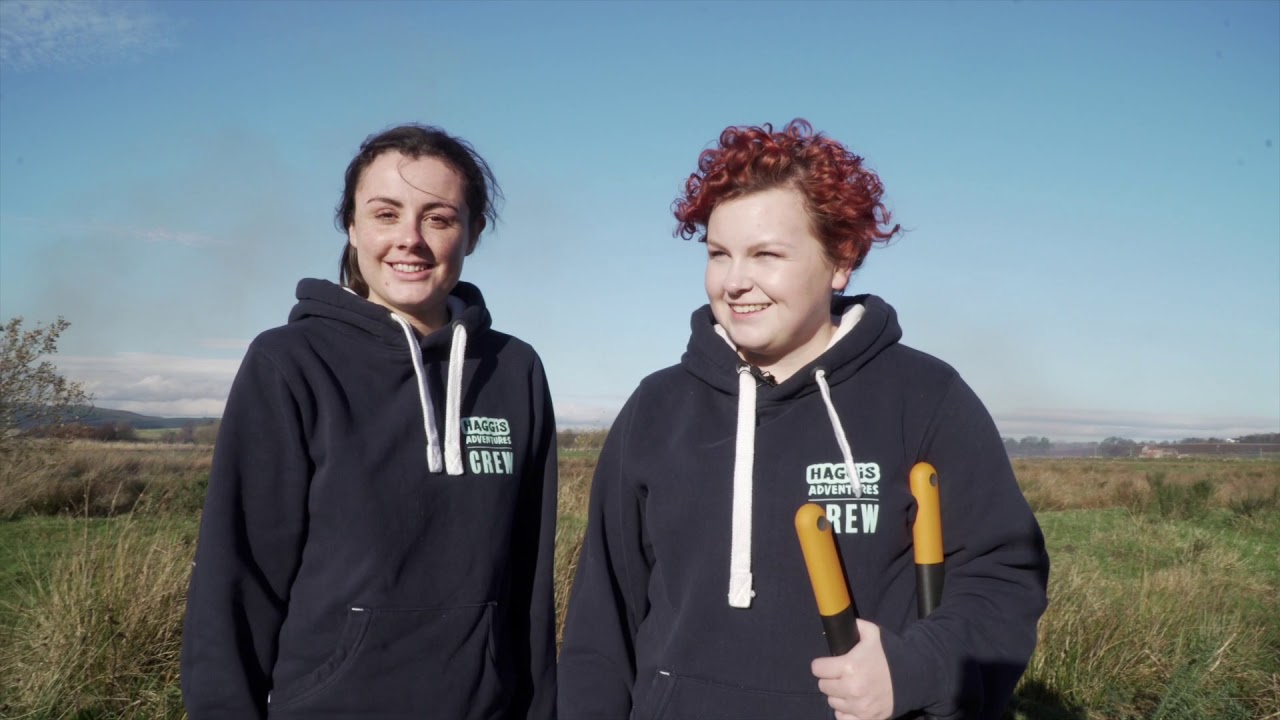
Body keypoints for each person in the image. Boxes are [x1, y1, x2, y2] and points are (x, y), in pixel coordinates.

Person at [557, 119, 1049, 720]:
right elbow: (600, 625)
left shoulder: (925, 397)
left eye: (766, 254)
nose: (736, 282)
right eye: (719, 254)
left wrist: (917, 669)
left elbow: (1002, 578)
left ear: (840, 259)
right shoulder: (656, 408)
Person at [181, 124, 558, 720]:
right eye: (386, 214)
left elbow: (530, 583)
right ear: (353, 227)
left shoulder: (514, 369)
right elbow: (237, 579)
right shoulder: (290, 362)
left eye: (438, 218)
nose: (409, 239)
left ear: (473, 232)